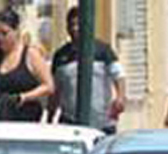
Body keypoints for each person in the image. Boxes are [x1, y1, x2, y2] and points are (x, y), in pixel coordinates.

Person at [51, 5, 127, 133]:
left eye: (78, 24)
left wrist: (120, 97)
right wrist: (51, 114)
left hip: (102, 122)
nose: (75, 28)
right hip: (70, 121)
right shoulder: (60, 56)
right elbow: (56, 89)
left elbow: (119, 75)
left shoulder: (103, 51)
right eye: (71, 25)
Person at [0, 10, 54, 122]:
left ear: (16, 31)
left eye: (4, 33)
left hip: (26, 120)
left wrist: (24, 97)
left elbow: (48, 86)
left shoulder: (31, 55)